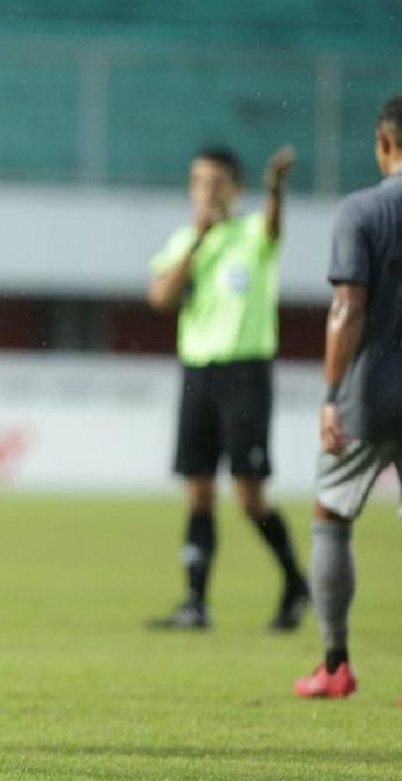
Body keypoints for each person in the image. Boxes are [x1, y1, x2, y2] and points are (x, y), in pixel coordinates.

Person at [146, 143, 305, 632]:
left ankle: (296, 583)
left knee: (248, 495)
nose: (206, 192)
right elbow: (160, 297)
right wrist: (196, 242)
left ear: (237, 190)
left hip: (245, 371)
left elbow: (274, 227)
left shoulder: (251, 233)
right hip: (199, 371)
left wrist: (276, 190)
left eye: (216, 183)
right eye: (199, 182)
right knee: (197, 490)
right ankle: (196, 603)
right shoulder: (186, 241)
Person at [293, 95, 402, 699]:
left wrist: (331, 394)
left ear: (384, 143)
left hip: (372, 394)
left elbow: (349, 306)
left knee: (331, 515)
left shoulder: (361, 211)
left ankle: (335, 664)